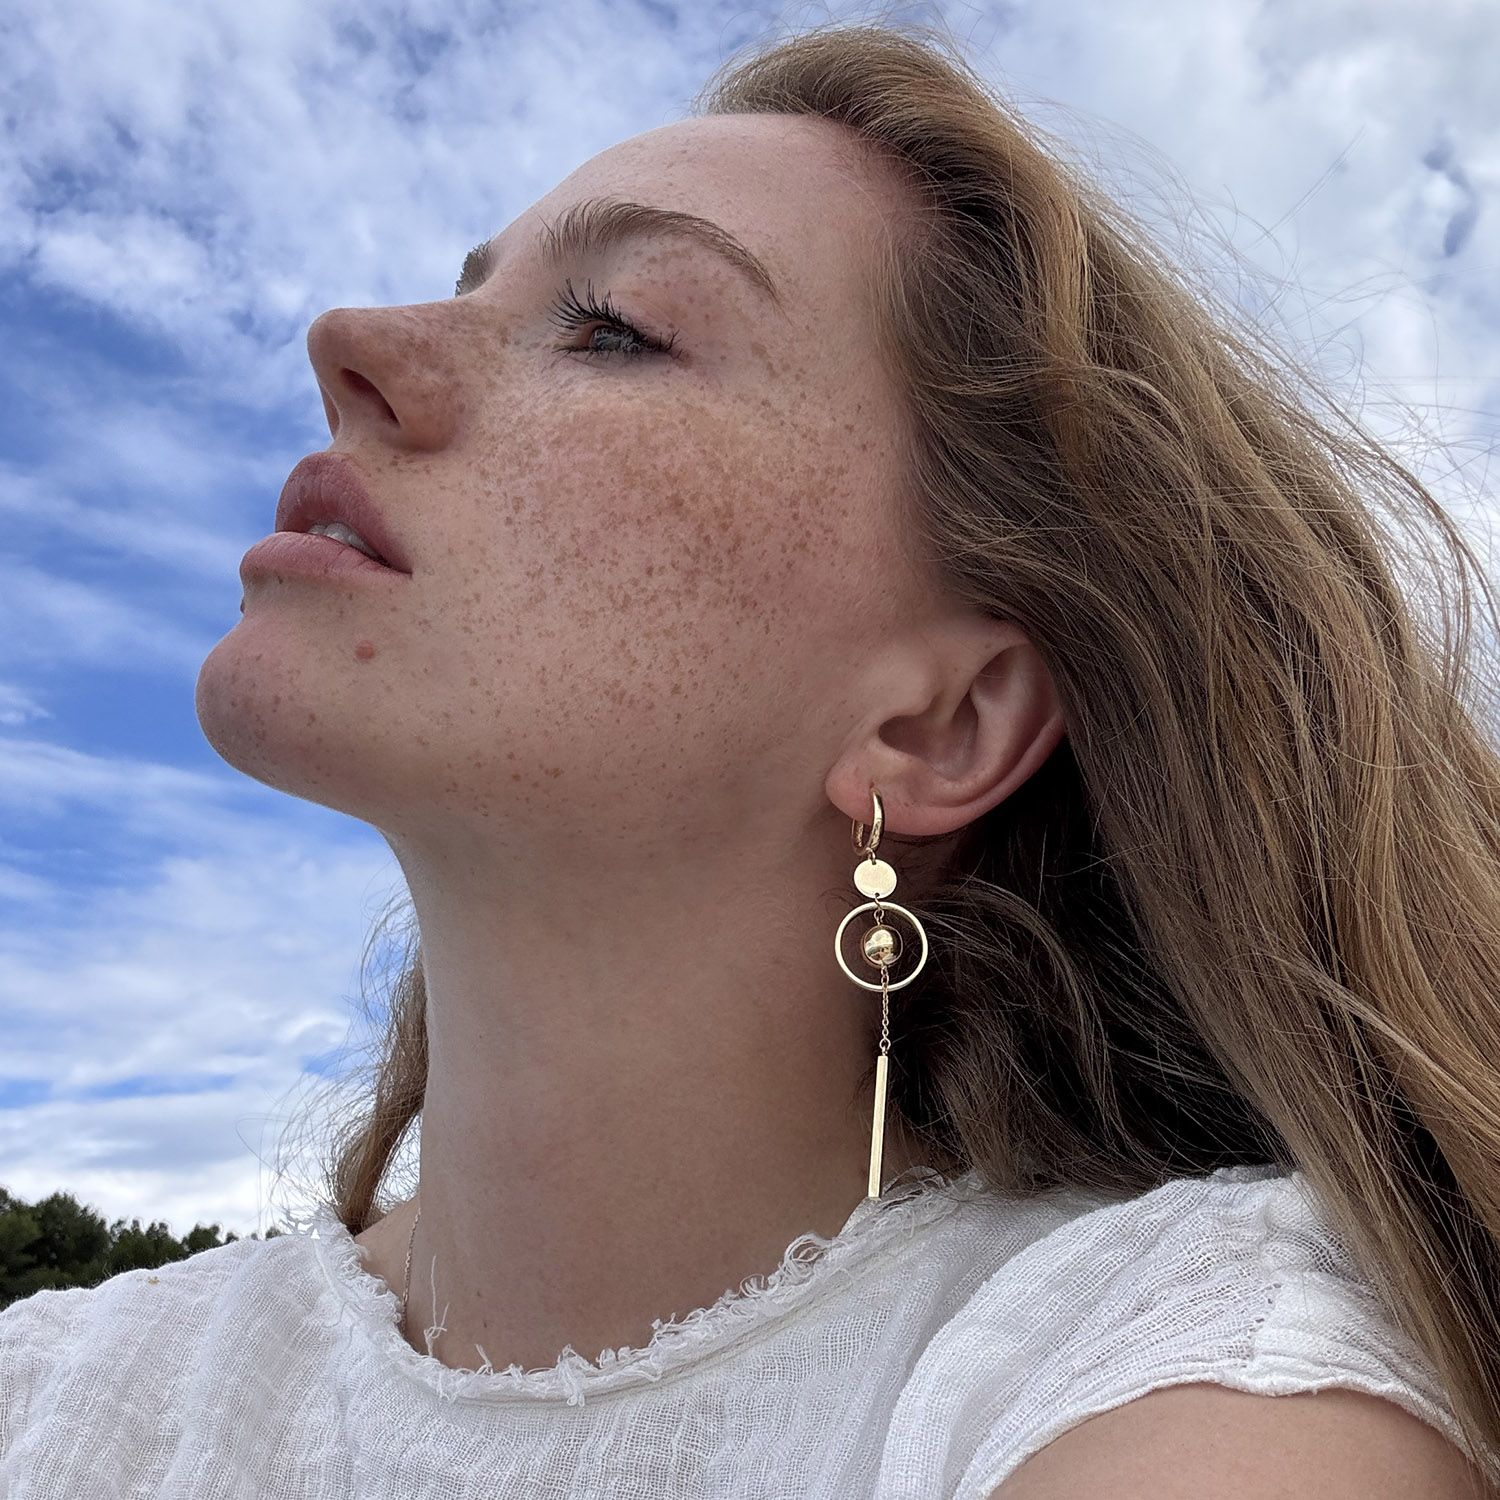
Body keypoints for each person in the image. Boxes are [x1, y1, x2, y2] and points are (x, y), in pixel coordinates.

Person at [3, 22, 1497, 1499]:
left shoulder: (1194, 1370)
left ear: (940, 725)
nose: (351, 343)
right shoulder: (59, 1394)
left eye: (614, 328)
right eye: (472, 287)